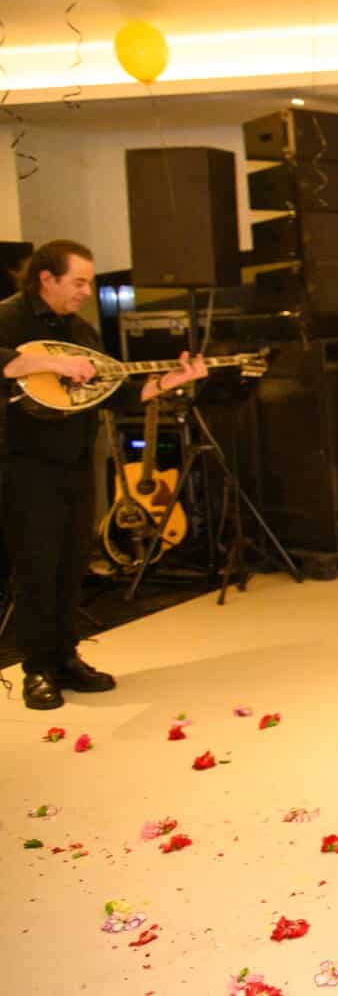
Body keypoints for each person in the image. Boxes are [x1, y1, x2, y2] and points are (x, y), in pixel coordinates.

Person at [0, 240, 207, 710]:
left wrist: (169, 382)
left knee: (72, 562)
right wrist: (54, 362)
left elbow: (116, 392)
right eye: (78, 282)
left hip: (76, 461)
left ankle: (65, 656)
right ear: (46, 278)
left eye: (88, 283)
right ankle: (37, 668)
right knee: (37, 566)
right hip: (25, 465)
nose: (85, 292)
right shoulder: (10, 316)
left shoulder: (82, 330)